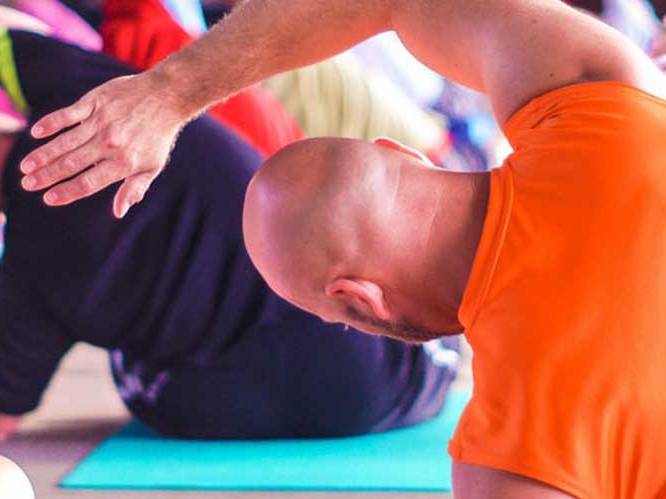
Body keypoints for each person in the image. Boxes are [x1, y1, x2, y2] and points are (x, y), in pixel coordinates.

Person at [16, 0, 666, 497]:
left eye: (330, 313)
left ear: (356, 298)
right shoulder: (605, 99)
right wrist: (168, 92)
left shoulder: (513, 452)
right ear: (399, 151)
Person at [0, 29, 459, 441]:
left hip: (353, 377)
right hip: (406, 334)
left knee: (155, 398)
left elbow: (6, 409)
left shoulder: (40, 245)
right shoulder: (74, 85)